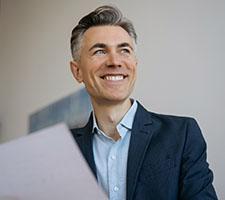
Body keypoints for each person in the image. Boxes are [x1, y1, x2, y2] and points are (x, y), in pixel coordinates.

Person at [69, 5, 217, 200]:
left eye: (124, 50)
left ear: (134, 65)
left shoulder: (182, 134)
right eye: (99, 51)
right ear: (77, 71)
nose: (115, 61)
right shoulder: (64, 150)